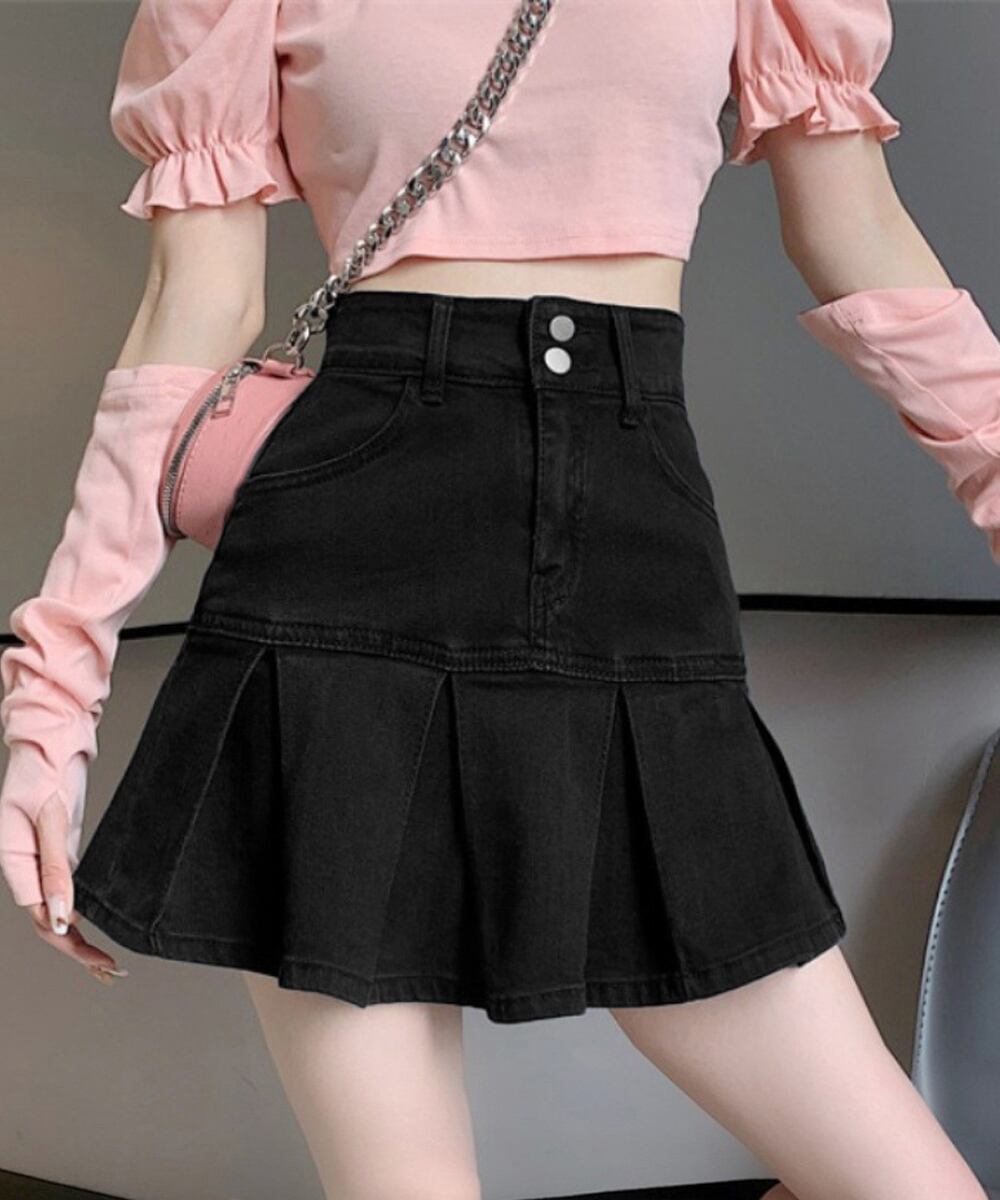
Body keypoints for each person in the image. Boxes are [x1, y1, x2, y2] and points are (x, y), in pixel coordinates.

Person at [0, 2, 992, 1198]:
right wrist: (54, 690)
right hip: (345, 569)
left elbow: (859, 234)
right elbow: (191, 316)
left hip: (633, 548)